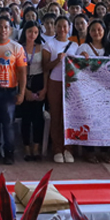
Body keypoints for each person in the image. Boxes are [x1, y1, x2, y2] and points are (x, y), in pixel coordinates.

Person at [0, 16, 27, 165]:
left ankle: (9, 152)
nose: (3, 30)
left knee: (8, 123)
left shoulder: (16, 48)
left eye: (6, 27)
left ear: (10, 30)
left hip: (9, 91)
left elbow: (22, 72)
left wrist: (21, 92)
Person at [44, 15, 77, 163]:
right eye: (59, 26)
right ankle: (57, 149)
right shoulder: (49, 44)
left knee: (69, 117)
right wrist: (57, 59)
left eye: (65, 26)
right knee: (56, 115)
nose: (62, 29)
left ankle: (68, 148)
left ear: (69, 28)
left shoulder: (75, 46)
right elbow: (45, 67)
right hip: (55, 82)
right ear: (55, 28)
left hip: (71, 84)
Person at [18, 20, 49, 162]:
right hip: (24, 82)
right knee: (26, 117)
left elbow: (45, 70)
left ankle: (36, 147)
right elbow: (17, 71)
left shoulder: (42, 48)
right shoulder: (19, 48)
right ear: (25, 32)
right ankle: (26, 147)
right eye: (30, 31)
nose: (32, 34)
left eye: (35, 32)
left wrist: (44, 88)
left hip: (38, 82)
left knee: (38, 117)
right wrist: (24, 91)